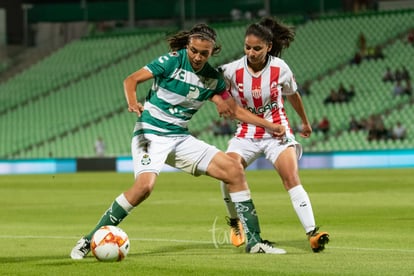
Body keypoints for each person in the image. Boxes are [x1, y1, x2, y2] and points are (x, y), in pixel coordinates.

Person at [70, 23, 288, 260]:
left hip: (179, 137)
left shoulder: (212, 79)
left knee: (233, 170)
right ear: (188, 46)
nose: (197, 56)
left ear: (211, 52)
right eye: (194, 50)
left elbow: (233, 110)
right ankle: (88, 240)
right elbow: (131, 80)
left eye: (203, 53)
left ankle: (254, 241)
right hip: (150, 132)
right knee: (144, 187)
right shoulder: (172, 61)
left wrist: (268, 125)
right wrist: (133, 102)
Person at [218, 17, 329, 253]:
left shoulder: (280, 68)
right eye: (247, 47)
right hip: (246, 134)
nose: (251, 52)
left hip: (277, 133)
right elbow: (212, 85)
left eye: (257, 48)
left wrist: (305, 122)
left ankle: (312, 232)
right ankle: (235, 223)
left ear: (268, 46)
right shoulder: (232, 70)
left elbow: (293, 95)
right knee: (226, 173)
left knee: (291, 178)